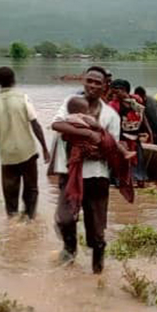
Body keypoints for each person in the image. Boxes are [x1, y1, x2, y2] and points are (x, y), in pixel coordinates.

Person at [50, 66, 122, 274]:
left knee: (97, 234)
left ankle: (97, 273)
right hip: (69, 173)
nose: (92, 85)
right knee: (64, 219)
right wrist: (91, 138)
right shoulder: (70, 104)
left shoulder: (110, 115)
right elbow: (56, 125)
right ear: (83, 81)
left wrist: (92, 150)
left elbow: (112, 149)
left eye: (97, 82)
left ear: (105, 86)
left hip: (97, 177)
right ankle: (69, 251)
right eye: (89, 80)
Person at [0, 66, 50, 219]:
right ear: (14, 80)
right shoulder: (23, 98)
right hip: (27, 151)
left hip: (7, 155)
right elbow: (35, 124)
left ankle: (12, 222)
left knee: (10, 192)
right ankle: (30, 219)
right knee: (31, 188)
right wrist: (45, 148)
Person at [109, 79, 151, 187]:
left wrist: (148, 131)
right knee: (122, 168)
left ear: (124, 90)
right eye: (112, 93)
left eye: (116, 92)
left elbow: (143, 116)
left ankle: (138, 180)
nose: (114, 95)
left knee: (138, 166)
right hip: (122, 138)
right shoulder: (114, 105)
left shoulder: (136, 101)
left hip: (134, 137)